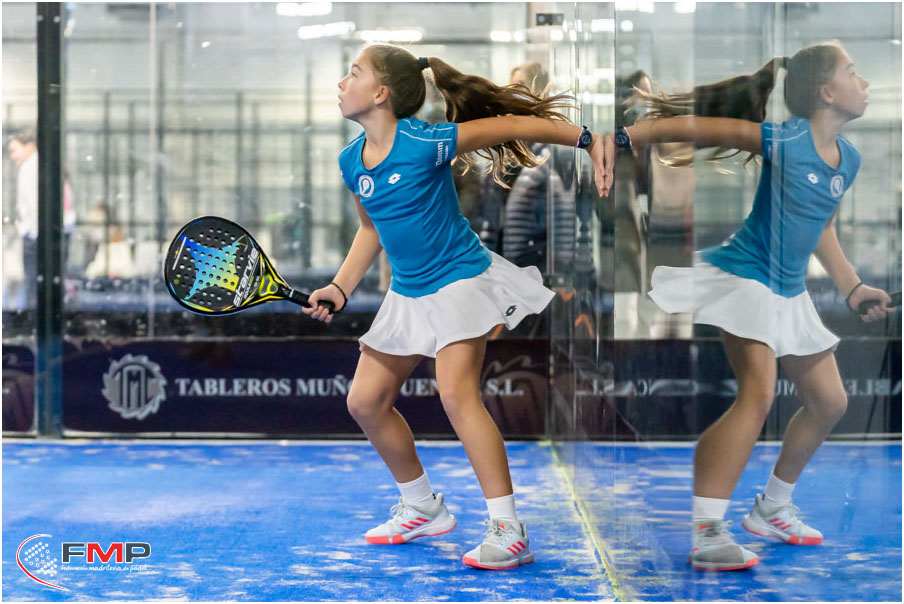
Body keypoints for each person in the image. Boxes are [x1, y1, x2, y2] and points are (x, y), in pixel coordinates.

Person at [303, 44, 608, 570]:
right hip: (408, 292)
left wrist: (588, 138)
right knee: (365, 402)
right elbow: (371, 228)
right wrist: (340, 287)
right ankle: (422, 506)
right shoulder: (351, 161)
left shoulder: (427, 141)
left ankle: (508, 530)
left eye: (353, 73)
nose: (342, 82)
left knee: (457, 394)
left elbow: (513, 124)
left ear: (381, 93)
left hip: (460, 281)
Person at [601, 41, 894, 571]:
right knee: (757, 396)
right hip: (745, 279)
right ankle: (707, 530)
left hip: (788, 290)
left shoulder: (848, 159)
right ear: (827, 93)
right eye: (853, 72)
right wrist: (621, 138)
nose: (865, 82)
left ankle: (772, 508)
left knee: (829, 403)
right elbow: (697, 128)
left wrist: (853, 289)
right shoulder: (785, 140)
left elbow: (821, 227)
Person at [8, 129, 38, 308]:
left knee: (32, 284)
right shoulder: (39, 165)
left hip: (34, 235)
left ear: (29, 146)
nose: (13, 156)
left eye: (15, 150)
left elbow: (34, 206)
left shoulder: (29, 168)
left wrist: (32, 232)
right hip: (36, 234)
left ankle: (33, 317)